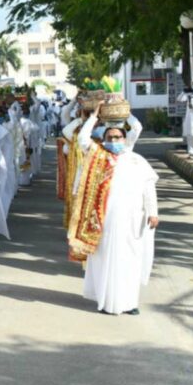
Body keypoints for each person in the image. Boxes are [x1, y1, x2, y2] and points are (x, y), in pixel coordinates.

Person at [68, 108, 159, 315]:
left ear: (125, 139)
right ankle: (107, 302)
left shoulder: (136, 160)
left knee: (131, 260)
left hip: (133, 220)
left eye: (118, 137)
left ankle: (130, 303)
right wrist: (94, 117)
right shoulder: (98, 157)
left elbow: (148, 188)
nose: (114, 140)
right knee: (105, 259)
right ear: (104, 138)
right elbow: (83, 138)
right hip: (104, 221)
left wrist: (153, 212)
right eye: (110, 137)